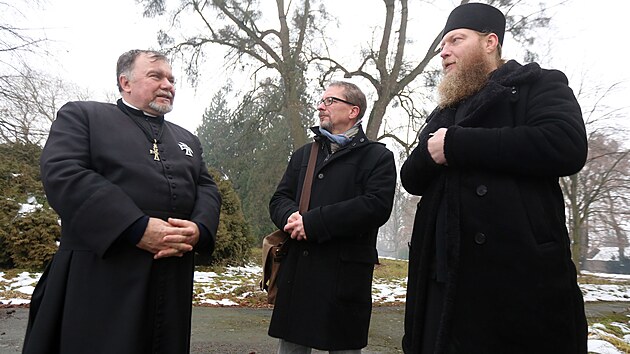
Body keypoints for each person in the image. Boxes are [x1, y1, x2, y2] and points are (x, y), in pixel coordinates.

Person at [400, 3, 588, 353]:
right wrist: (434, 150)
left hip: (514, 281)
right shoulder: (445, 110)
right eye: (443, 45)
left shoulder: (538, 84)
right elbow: (410, 178)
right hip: (441, 282)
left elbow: (567, 145)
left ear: (490, 42)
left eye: (456, 40)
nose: (445, 52)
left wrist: (457, 144)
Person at [22, 49, 222, 354]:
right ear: (125, 82)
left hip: (171, 276)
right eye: (156, 76)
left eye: (171, 79)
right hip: (101, 274)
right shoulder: (83, 116)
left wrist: (198, 230)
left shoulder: (187, 139)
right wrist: (135, 227)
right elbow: (64, 172)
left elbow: (206, 188)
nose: (168, 84)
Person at [268, 81, 397, 353]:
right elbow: (279, 199)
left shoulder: (378, 157)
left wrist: (312, 223)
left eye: (329, 101)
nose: (320, 106)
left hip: (345, 275)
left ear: (353, 111)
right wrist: (291, 217)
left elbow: (375, 206)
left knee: (344, 346)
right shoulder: (305, 154)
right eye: (321, 100)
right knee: (291, 347)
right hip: (300, 273)